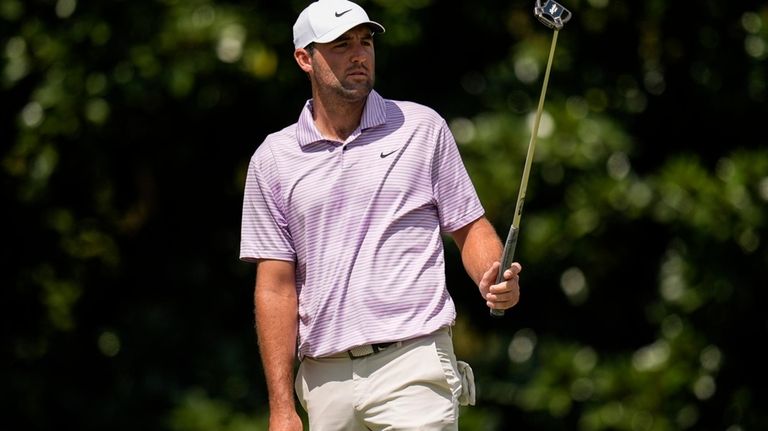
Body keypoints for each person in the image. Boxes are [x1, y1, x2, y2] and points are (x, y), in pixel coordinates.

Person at [239, 0, 522, 429]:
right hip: (323, 379)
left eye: (365, 41)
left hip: (413, 362)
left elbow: (469, 227)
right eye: (341, 45)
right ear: (304, 58)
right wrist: (281, 407)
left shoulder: (421, 127)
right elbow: (276, 287)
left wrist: (492, 274)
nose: (359, 54)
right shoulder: (273, 159)